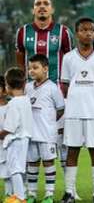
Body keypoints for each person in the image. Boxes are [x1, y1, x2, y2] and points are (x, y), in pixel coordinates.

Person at [60, 17, 94, 203]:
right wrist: (75, 100)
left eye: (91, 30)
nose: (88, 33)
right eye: (84, 30)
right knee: (72, 151)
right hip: (73, 113)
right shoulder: (68, 58)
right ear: (76, 33)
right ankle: (69, 192)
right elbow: (65, 86)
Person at [25, 54, 64, 203]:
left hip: (47, 134)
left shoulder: (52, 88)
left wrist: (49, 122)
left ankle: (49, 194)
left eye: (35, 68)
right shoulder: (28, 87)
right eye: (30, 68)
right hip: (31, 134)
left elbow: (60, 108)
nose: (32, 71)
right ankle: (32, 194)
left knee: (48, 162)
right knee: (32, 163)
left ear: (45, 69)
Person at [15, 0, 73, 84]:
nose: (42, 6)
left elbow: (71, 60)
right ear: (33, 10)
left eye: (46, 3)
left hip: (56, 87)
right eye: (38, 4)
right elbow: (20, 59)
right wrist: (22, 82)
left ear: (52, 10)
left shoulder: (63, 31)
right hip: (30, 88)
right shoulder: (23, 32)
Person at [1, 67, 34, 203]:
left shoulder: (13, 103)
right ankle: (17, 195)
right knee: (19, 169)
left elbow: (10, 127)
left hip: (16, 139)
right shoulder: (26, 100)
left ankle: (20, 198)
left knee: (14, 170)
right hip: (24, 138)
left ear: (8, 86)